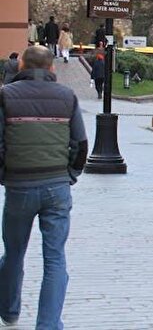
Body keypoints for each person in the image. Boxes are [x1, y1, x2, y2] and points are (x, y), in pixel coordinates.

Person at [0, 45, 88, 329]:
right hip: (56, 188)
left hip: (19, 186)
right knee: (55, 258)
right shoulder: (67, 96)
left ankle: (9, 310)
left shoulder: (5, 96)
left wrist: (5, 174)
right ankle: (48, 325)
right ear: (52, 68)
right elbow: (81, 143)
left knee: (14, 251)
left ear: (21, 66)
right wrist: (70, 175)